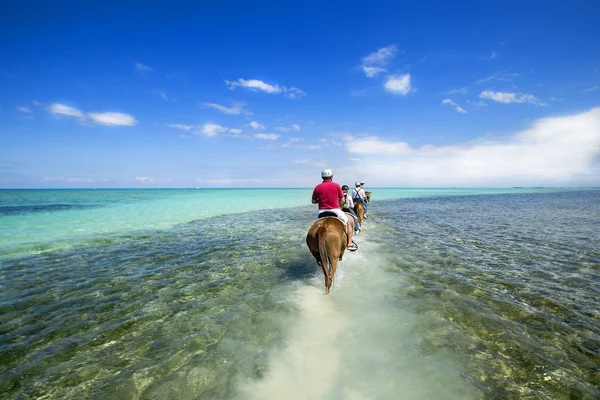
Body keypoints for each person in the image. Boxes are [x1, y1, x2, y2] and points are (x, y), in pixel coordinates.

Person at [312, 169, 358, 251]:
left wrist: (322, 200)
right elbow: (342, 200)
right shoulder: (336, 185)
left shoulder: (317, 187)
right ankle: (349, 243)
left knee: (314, 227)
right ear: (332, 177)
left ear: (322, 177)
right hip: (335, 211)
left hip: (321, 212)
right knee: (348, 223)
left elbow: (313, 201)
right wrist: (339, 205)